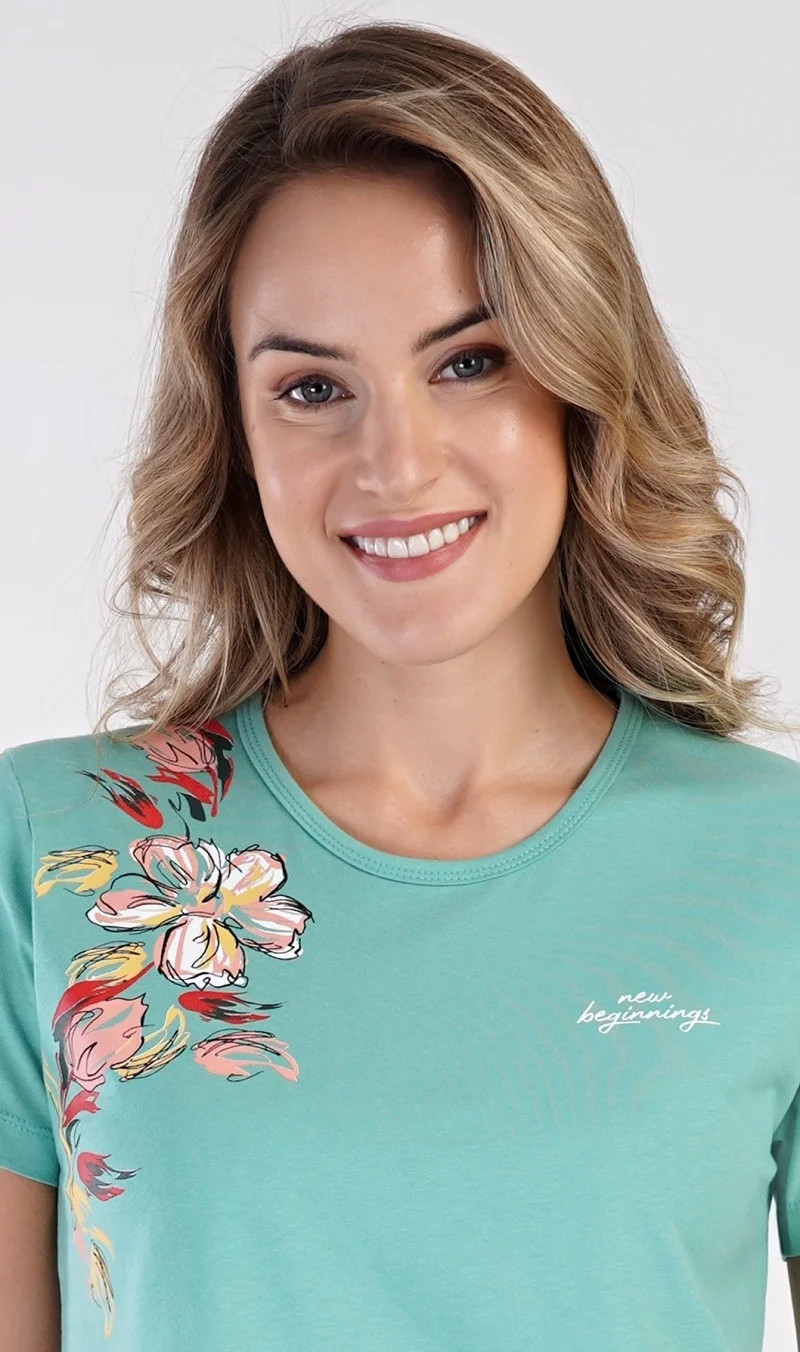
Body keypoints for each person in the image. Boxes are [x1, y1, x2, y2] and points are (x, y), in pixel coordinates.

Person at [1, 19, 799, 1352]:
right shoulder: (52, 849)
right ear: (235, 430)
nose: (398, 463)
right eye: (313, 387)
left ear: (581, 380)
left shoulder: (778, 868)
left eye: (469, 362)